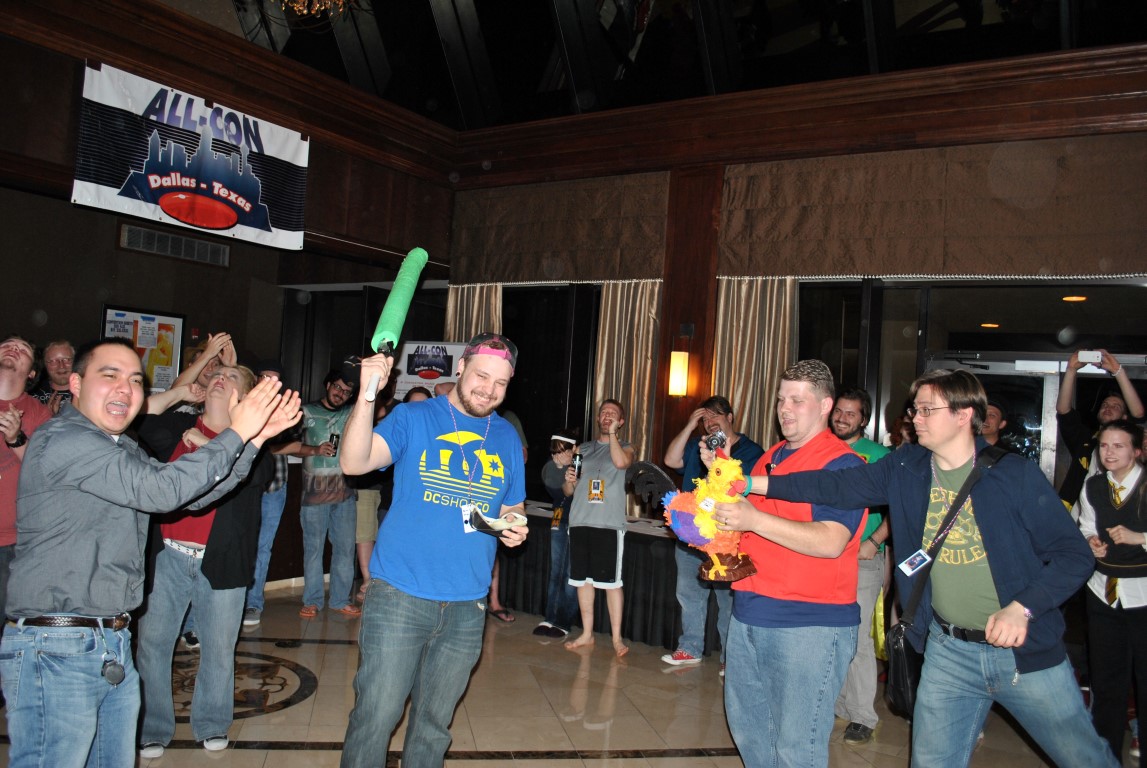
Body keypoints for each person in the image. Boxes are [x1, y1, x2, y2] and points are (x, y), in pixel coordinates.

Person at [743, 368, 1118, 767]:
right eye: (914, 409)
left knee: (1084, 758)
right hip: (948, 651)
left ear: (963, 414)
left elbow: (1074, 555)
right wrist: (752, 484)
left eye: (926, 410)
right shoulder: (908, 467)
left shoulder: (1012, 475)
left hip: (1023, 655)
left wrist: (1023, 607)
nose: (914, 418)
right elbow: (833, 486)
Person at [1, 338, 298, 768]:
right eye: (110, 375)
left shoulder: (120, 446)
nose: (125, 388)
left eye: (135, 380)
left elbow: (190, 498)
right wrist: (240, 432)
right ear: (76, 384)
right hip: (58, 642)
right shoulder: (65, 438)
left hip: (108, 636)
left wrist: (256, 440)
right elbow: (162, 490)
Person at [338, 332, 528, 768]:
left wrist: (515, 525)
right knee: (376, 717)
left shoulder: (505, 437)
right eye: (481, 376)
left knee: (433, 725)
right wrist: (367, 395)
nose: (489, 389)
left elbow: (512, 506)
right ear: (460, 368)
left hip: (468, 605)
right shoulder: (413, 416)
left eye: (500, 382)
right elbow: (353, 462)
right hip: (399, 595)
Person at [705, 360, 866, 767]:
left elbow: (831, 541)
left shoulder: (842, 464)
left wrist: (754, 519)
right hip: (749, 612)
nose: (784, 409)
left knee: (797, 748)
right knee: (751, 735)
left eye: (797, 400)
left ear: (825, 405)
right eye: (781, 399)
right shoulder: (770, 457)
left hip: (808, 623)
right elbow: (745, 524)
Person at [137, 365, 276, 758]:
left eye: (232, 377)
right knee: (153, 645)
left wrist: (210, 442)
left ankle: (212, 722)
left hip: (223, 562)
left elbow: (256, 474)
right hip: (168, 553)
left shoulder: (254, 444)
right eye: (218, 373)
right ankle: (152, 726)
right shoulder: (175, 428)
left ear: (244, 397)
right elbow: (140, 418)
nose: (220, 378)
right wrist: (181, 393)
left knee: (218, 648)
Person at [661, 395, 763, 670]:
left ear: (730, 417)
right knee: (689, 595)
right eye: (705, 418)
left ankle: (731, 659)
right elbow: (671, 459)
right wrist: (689, 424)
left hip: (725, 537)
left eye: (715, 415)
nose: (710, 422)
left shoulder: (751, 451)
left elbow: (750, 491)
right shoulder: (698, 444)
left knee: (728, 601)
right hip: (692, 536)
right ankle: (690, 648)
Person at [1079, 419, 1147, 765]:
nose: (1109, 452)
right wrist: (1092, 542)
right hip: (1103, 592)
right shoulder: (1093, 485)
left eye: (1118, 446)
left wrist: (1140, 538)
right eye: (1104, 445)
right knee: (1106, 680)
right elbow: (1086, 525)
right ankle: (1105, 756)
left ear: (1137, 451)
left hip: (1143, 594)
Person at [829, 387, 891, 745]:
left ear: (863, 419)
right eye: (839, 411)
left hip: (862, 558)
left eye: (851, 413)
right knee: (832, 634)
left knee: (858, 638)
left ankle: (863, 715)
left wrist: (875, 540)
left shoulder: (880, 456)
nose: (842, 418)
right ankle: (839, 703)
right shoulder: (822, 448)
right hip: (826, 555)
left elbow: (900, 506)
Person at [282, 369, 361, 618]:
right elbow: (282, 445)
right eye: (337, 387)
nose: (341, 394)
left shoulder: (353, 412)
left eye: (347, 392)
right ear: (327, 385)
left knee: (345, 550)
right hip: (313, 496)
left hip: (346, 494)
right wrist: (314, 450)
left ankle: (340, 599)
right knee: (313, 549)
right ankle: (312, 600)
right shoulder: (305, 411)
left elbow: (377, 410)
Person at [563, 399, 635, 658]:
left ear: (620, 421)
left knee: (612, 584)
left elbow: (621, 464)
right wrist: (568, 480)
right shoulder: (582, 449)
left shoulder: (626, 447)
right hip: (580, 520)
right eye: (604, 412)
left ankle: (616, 638)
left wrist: (613, 434)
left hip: (608, 524)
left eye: (613, 414)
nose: (607, 416)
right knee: (582, 582)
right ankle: (587, 633)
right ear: (597, 418)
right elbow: (569, 490)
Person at [0, 336, 52, 623]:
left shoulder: (40, 414)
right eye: (7, 344)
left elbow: (46, 472)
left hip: (10, 543)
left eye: (23, 349)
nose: (13, 348)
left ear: (32, 372)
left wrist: (16, 438)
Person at [1057, 348, 1145, 510]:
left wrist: (1118, 371)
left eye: (1116, 406)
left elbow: (1138, 413)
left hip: (1117, 514)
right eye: (1105, 404)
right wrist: (1071, 370)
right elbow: (1063, 411)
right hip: (1077, 516)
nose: (1108, 407)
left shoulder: (1131, 443)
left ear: (1125, 417)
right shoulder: (1086, 439)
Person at [244, 361, 293, 628]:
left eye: (275, 379)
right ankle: (233, 601)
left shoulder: (286, 409)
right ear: (255, 378)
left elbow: (293, 442)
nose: (270, 383)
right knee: (240, 545)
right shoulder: (243, 404)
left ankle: (253, 603)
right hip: (244, 489)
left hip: (275, 486)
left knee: (263, 547)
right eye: (265, 377)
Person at [534, 430, 581, 639]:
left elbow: (579, 492)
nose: (558, 456)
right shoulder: (550, 467)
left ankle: (563, 621)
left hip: (580, 521)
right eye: (555, 452)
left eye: (563, 451)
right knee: (556, 571)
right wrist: (563, 470)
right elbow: (560, 492)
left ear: (573, 450)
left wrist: (574, 467)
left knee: (571, 573)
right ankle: (550, 617)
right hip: (559, 518)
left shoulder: (581, 463)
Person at [30, 339, 74, 414]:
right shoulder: (32, 394)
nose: (61, 366)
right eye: (53, 361)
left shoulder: (88, 392)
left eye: (67, 360)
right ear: (45, 364)